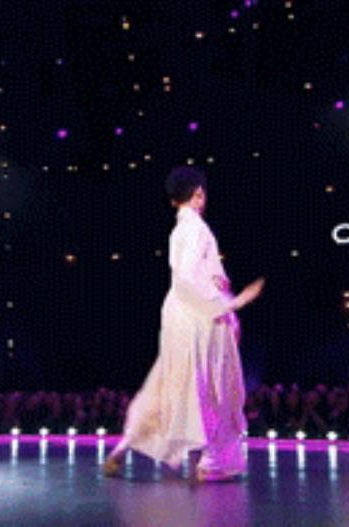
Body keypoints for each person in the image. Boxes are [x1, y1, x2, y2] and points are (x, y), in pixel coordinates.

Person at [103, 166, 265, 482]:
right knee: (213, 388)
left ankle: (126, 446)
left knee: (172, 386)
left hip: (185, 314)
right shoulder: (195, 230)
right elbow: (188, 280)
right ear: (198, 194)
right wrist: (229, 305)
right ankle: (212, 462)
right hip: (200, 316)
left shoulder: (181, 229)